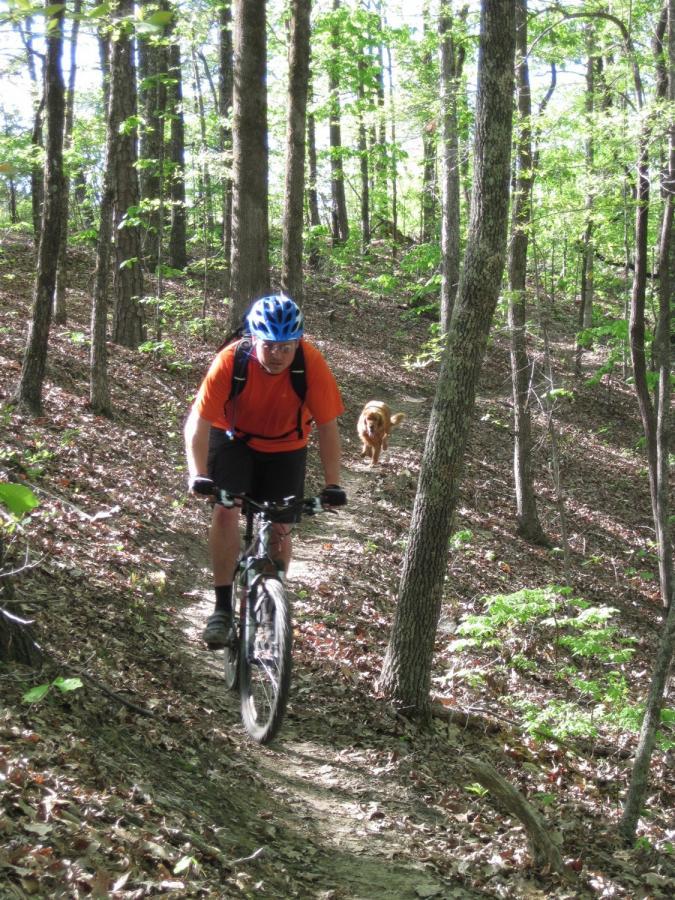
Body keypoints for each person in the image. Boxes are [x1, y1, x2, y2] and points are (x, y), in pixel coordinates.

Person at [184, 294, 347, 649]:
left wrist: (333, 483)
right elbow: (197, 422)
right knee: (227, 510)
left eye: (286, 347)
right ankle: (222, 609)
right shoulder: (230, 361)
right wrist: (197, 474)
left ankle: (274, 604)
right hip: (233, 440)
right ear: (254, 339)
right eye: (270, 346)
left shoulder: (310, 364)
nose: (278, 355)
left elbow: (328, 427)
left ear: (298, 342)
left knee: (280, 526)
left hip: (287, 447)